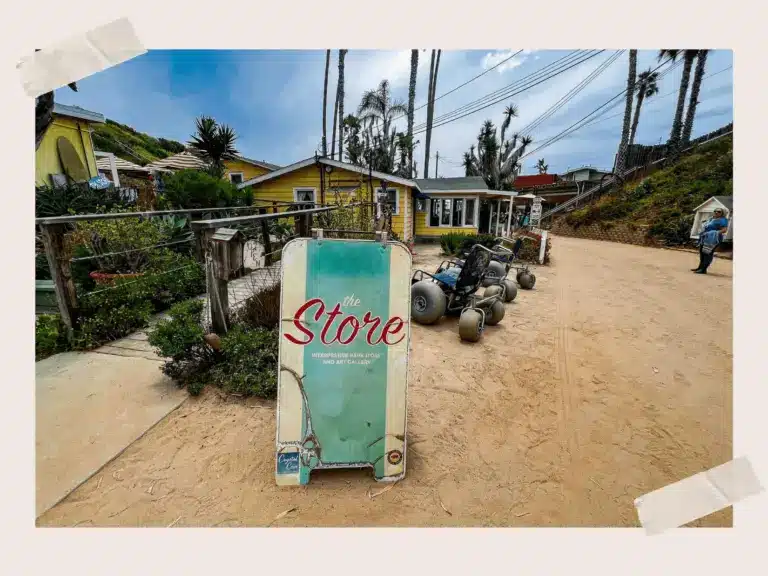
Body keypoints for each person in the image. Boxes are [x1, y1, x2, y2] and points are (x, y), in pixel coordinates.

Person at [692, 208, 729, 274]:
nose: (716, 212)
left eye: (719, 211)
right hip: (705, 237)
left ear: (722, 213)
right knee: (702, 252)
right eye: (715, 211)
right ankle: (700, 267)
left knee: (707, 253)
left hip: (713, 238)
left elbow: (724, 230)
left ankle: (703, 269)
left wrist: (713, 232)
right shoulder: (711, 219)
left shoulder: (723, 220)